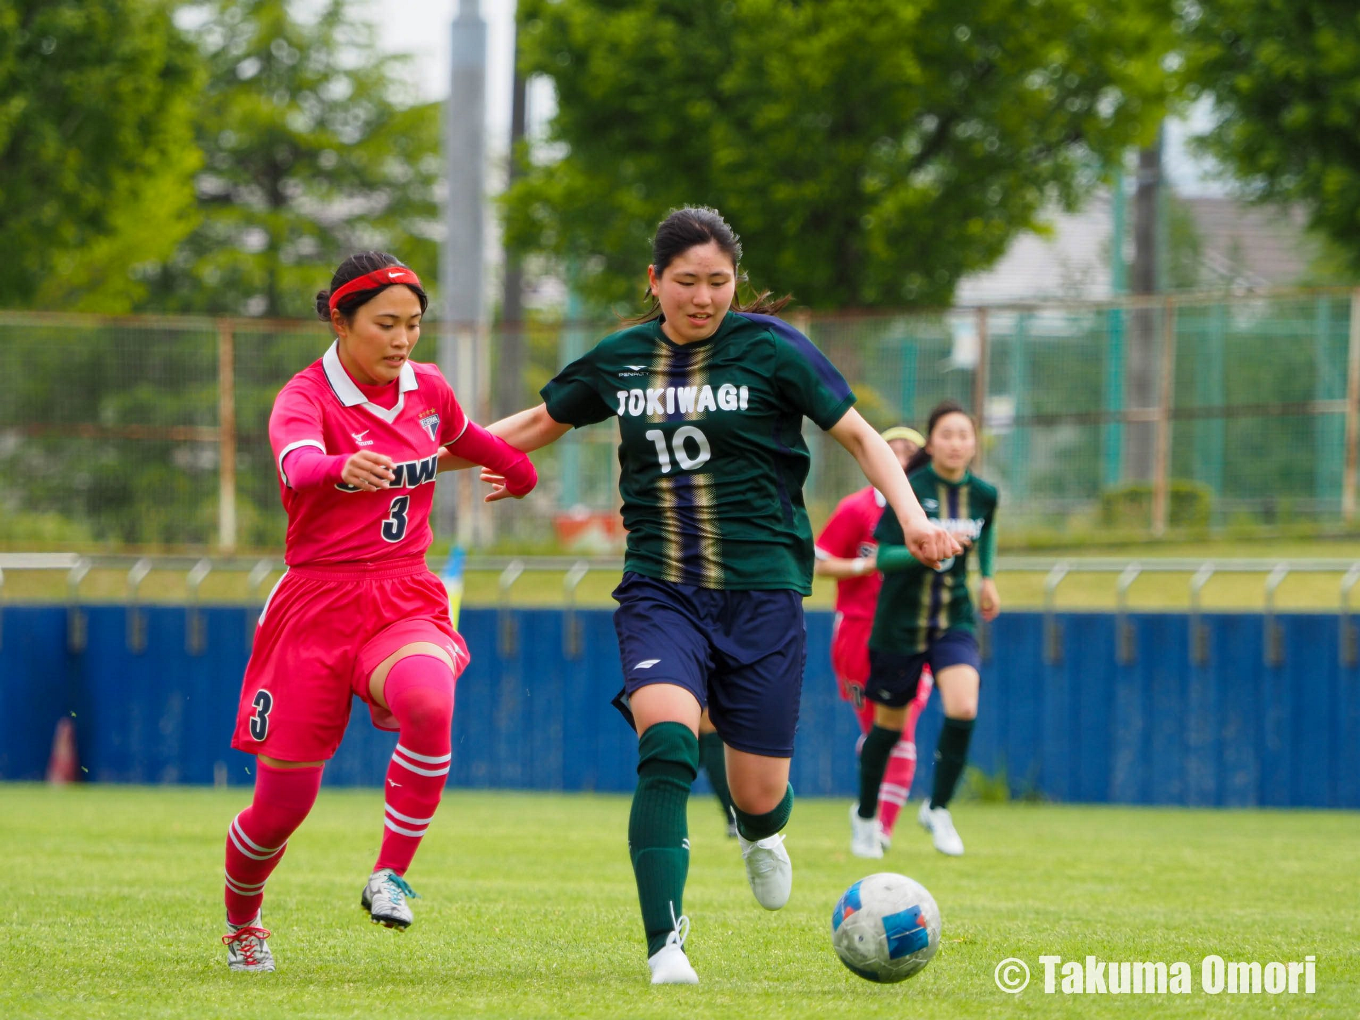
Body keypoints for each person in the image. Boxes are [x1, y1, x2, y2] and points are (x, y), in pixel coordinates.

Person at [472, 207, 959, 984]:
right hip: (661, 590)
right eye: (687, 282)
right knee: (665, 744)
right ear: (655, 282)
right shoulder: (623, 360)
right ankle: (665, 944)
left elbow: (863, 438)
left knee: (757, 794)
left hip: (763, 595)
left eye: (719, 282)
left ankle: (764, 833)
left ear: (736, 283)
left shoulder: (771, 349)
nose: (703, 297)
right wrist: (418, 460)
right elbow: (537, 420)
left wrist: (916, 520)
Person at [219, 252, 537, 973]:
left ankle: (389, 874)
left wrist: (518, 472)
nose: (402, 340)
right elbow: (296, 462)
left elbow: (471, 438)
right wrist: (338, 468)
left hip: (401, 595)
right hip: (316, 607)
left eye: (414, 324)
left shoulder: (427, 389)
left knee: (430, 698)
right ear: (340, 319)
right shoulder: (305, 396)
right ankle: (244, 923)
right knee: (279, 812)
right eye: (385, 324)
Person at [850, 399, 999, 859]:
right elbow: (881, 557)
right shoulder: (909, 490)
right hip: (900, 625)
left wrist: (987, 578)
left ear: (974, 443)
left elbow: (985, 537)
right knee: (888, 729)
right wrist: (923, 548)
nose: (956, 443)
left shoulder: (985, 495)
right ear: (930, 443)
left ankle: (938, 808)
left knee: (964, 706)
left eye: (964, 435)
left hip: (952, 620)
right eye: (947, 435)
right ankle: (866, 815)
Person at [814, 425, 935, 853]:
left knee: (903, 731)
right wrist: (865, 567)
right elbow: (819, 563)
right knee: (878, 733)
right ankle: (870, 809)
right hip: (858, 633)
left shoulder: (929, 509)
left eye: (910, 451)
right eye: (891, 449)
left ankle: (879, 828)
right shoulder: (855, 509)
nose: (901, 457)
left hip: (911, 634)